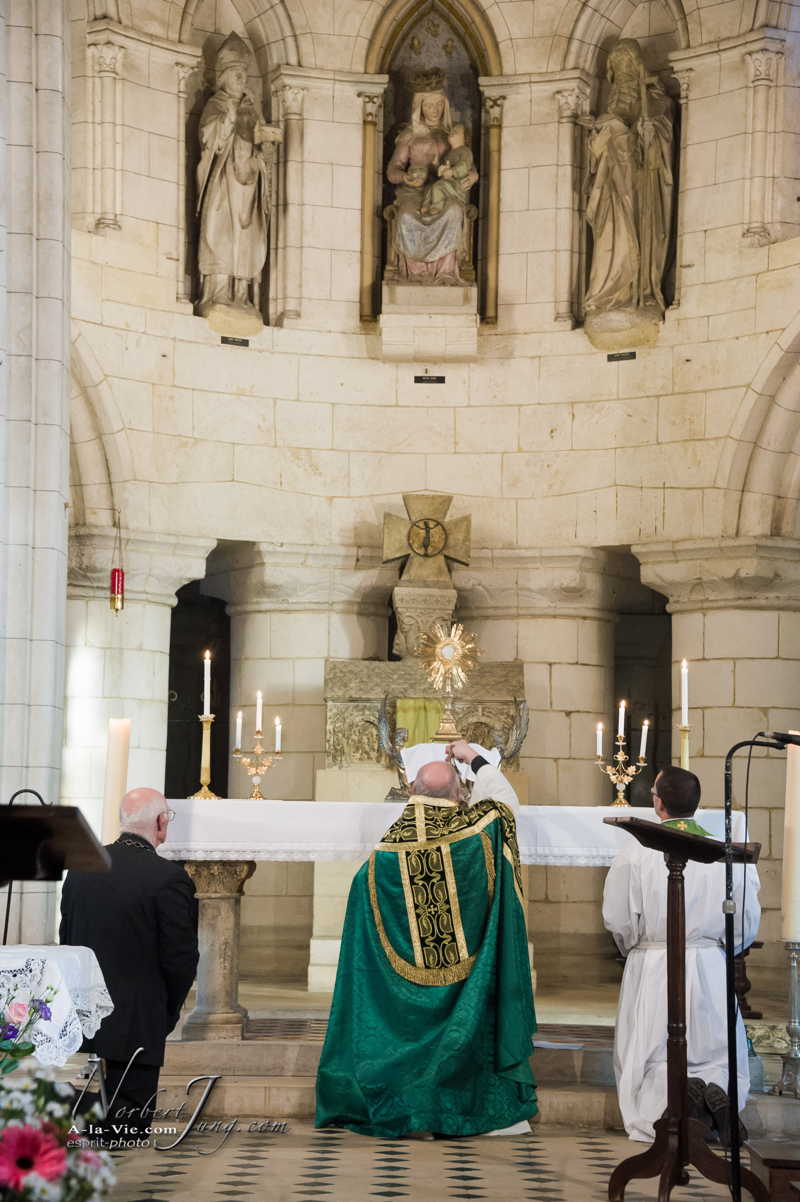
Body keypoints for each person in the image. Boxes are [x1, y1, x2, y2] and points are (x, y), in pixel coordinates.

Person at [315, 738, 536, 1138]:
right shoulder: (477, 834)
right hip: (465, 987)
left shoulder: (377, 862)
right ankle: (454, 1102)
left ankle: (400, 1099)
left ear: (413, 792)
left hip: (398, 1002)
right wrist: (476, 759)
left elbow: (363, 965)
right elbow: (504, 803)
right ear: (459, 794)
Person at [602, 766, 761, 1144]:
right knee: (712, 1046)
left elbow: (618, 917)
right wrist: (721, 948)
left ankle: (666, 1111)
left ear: (657, 802)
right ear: (697, 803)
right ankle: (712, 1099)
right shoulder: (723, 850)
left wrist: (635, 950)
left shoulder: (636, 849)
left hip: (655, 962)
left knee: (654, 1047)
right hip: (708, 962)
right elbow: (747, 918)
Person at [60, 788, 199, 1140]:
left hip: (89, 1003)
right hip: (141, 1010)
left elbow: (68, 938)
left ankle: (69, 1117)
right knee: (130, 1127)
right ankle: (67, 1115)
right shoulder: (169, 878)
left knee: (120, 1120)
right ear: (159, 823)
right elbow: (180, 957)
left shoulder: (79, 868)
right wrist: (169, 1009)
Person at [195, 32, 281, 327]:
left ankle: (242, 296)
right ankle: (217, 294)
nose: (242, 80)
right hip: (222, 184)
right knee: (220, 234)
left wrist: (265, 147)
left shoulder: (251, 110)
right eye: (237, 75)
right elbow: (210, 140)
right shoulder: (216, 105)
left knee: (248, 238)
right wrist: (231, 116)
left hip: (249, 185)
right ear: (224, 78)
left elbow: (260, 145)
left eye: (245, 75)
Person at [386, 70, 478, 284]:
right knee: (406, 216)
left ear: (444, 105)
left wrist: (473, 176)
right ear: (419, 107)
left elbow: (467, 164)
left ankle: (446, 273)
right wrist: (406, 177)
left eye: (438, 105)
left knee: (454, 212)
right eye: (428, 105)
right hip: (414, 193)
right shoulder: (409, 135)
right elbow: (393, 170)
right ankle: (414, 275)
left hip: (446, 192)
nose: (434, 110)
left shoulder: (455, 135)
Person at [420, 124, 476, 222]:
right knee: (430, 188)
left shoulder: (465, 151)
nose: (453, 132)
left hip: (457, 186)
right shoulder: (449, 154)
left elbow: (465, 166)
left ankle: (436, 207)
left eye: (457, 131)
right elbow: (443, 168)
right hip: (448, 183)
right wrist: (438, 165)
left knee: (438, 186)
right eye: (452, 130)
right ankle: (426, 206)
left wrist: (452, 171)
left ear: (465, 138)